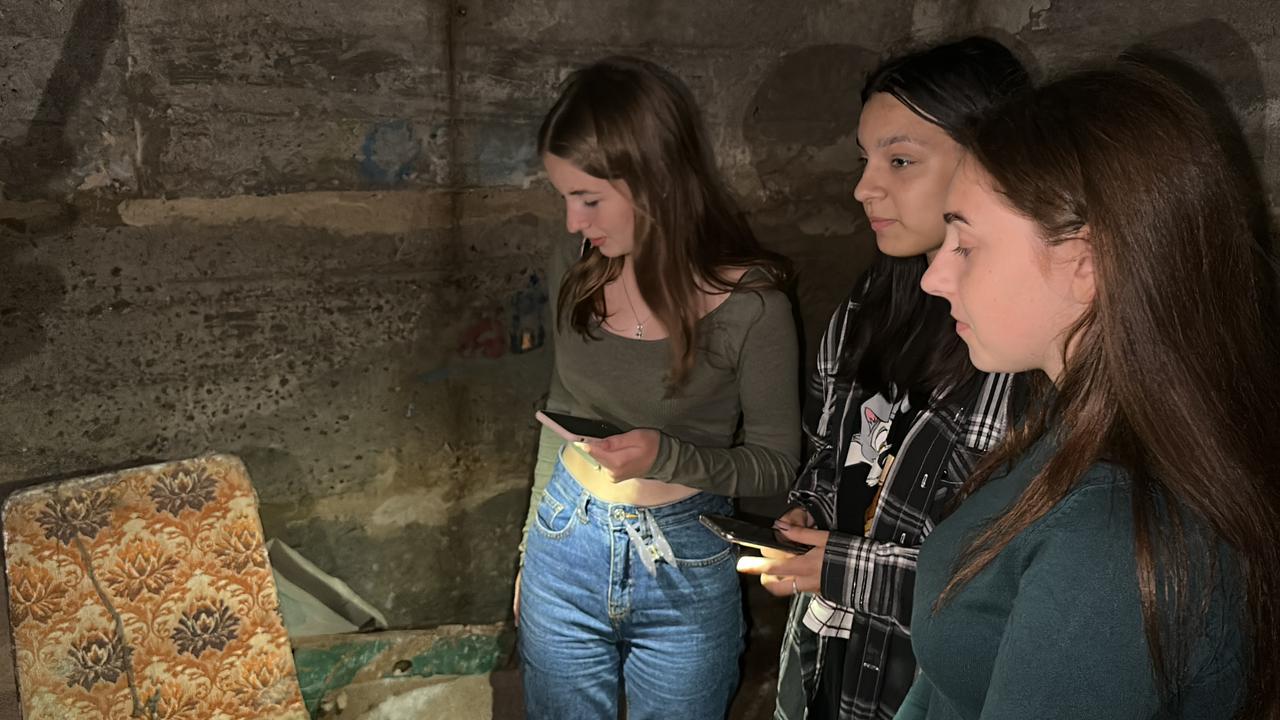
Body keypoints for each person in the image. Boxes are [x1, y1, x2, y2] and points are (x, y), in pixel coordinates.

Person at [900, 64, 1280, 719]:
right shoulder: (1071, 416)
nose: (934, 276)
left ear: (1086, 266)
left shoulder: (1109, 547)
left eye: (965, 243)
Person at [735, 38, 1031, 720]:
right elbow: (831, 448)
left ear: (994, 159)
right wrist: (811, 513)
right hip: (826, 665)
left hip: (923, 688)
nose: (863, 188)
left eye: (900, 160)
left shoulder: (1024, 347)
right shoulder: (871, 302)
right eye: (864, 160)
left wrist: (843, 567)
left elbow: (1009, 586)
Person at [515, 56, 802, 720]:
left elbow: (774, 462)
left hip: (687, 557)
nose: (572, 222)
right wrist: (532, 550)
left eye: (589, 199)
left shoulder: (753, 307)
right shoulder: (578, 264)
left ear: (657, 182)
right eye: (564, 197)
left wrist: (663, 455)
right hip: (567, 536)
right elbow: (557, 412)